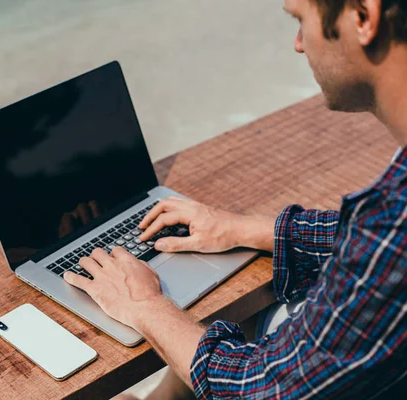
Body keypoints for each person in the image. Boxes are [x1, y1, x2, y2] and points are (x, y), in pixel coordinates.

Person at [63, 0, 407, 398]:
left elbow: (259, 389)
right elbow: (377, 251)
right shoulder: (389, 223)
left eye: (300, 20)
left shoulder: (393, 218)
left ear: (364, 16)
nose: (298, 44)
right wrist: (251, 229)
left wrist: (144, 305)